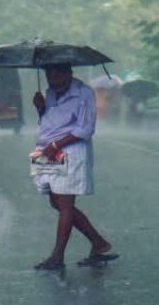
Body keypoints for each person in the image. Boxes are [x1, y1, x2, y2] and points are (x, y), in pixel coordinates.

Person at [29, 63, 116, 270]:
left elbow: (85, 128)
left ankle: (57, 256)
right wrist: (41, 108)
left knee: (65, 205)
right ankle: (99, 243)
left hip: (70, 150)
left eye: (58, 74)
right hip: (45, 150)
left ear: (69, 73)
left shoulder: (83, 93)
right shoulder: (49, 92)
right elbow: (50, 122)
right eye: (50, 74)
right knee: (56, 202)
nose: (54, 78)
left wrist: (56, 145)